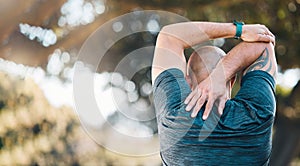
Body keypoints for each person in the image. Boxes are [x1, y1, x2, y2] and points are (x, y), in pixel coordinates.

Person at [152, 21, 277, 165]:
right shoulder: (257, 113)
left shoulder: (173, 116)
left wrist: (240, 30)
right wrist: (219, 76)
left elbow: (170, 37)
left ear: (187, 82)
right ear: (232, 81)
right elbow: (264, 45)